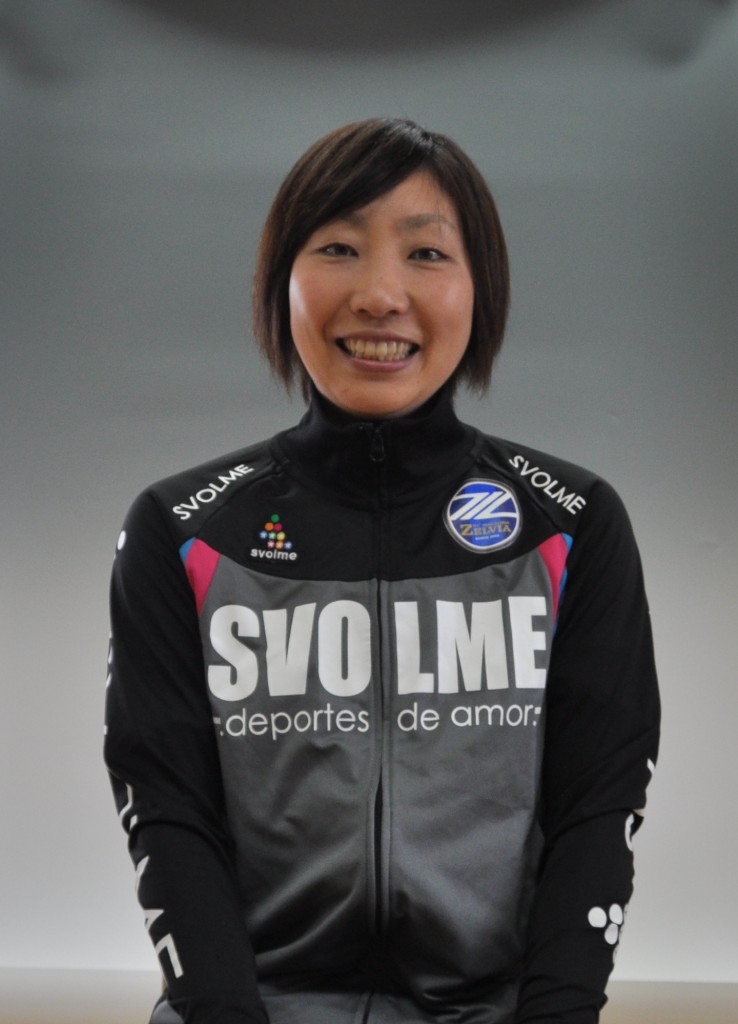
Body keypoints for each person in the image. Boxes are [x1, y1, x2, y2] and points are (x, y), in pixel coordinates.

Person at [104, 117, 660, 1024]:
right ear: (280, 283)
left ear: (482, 289)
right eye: (337, 248)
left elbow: (598, 809)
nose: (379, 295)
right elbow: (167, 811)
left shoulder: (573, 524)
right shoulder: (182, 531)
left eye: (427, 254)